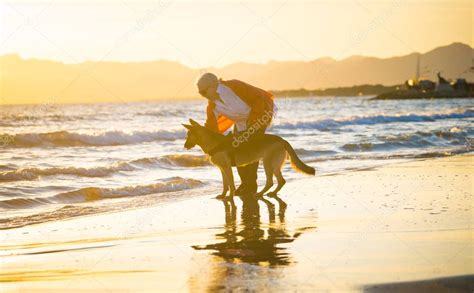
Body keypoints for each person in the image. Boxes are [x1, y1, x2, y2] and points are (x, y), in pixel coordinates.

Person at [196, 73, 275, 195]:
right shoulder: (212, 104)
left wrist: (253, 124)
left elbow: (259, 98)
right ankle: (244, 183)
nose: (203, 96)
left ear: (213, 86)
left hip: (261, 113)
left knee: (250, 148)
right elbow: (210, 128)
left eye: (203, 92)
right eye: (200, 93)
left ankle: (251, 185)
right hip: (241, 123)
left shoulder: (234, 86)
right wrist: (199, 136)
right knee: (235, 149)